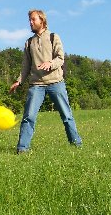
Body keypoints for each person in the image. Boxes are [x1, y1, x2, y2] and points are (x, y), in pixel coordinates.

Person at [9, 9, 82, 153]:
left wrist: (50, 64)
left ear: (42, 20)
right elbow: (26, 66)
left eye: (33, 20)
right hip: (36, 85)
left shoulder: (53, 37)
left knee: (66, 115)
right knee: (28, 117)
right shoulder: (29, 43)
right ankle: (22, 148)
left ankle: (77, 145)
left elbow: (60, 58)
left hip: (56, 82)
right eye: (29, 20)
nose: (30, 22)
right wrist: (19, 81)